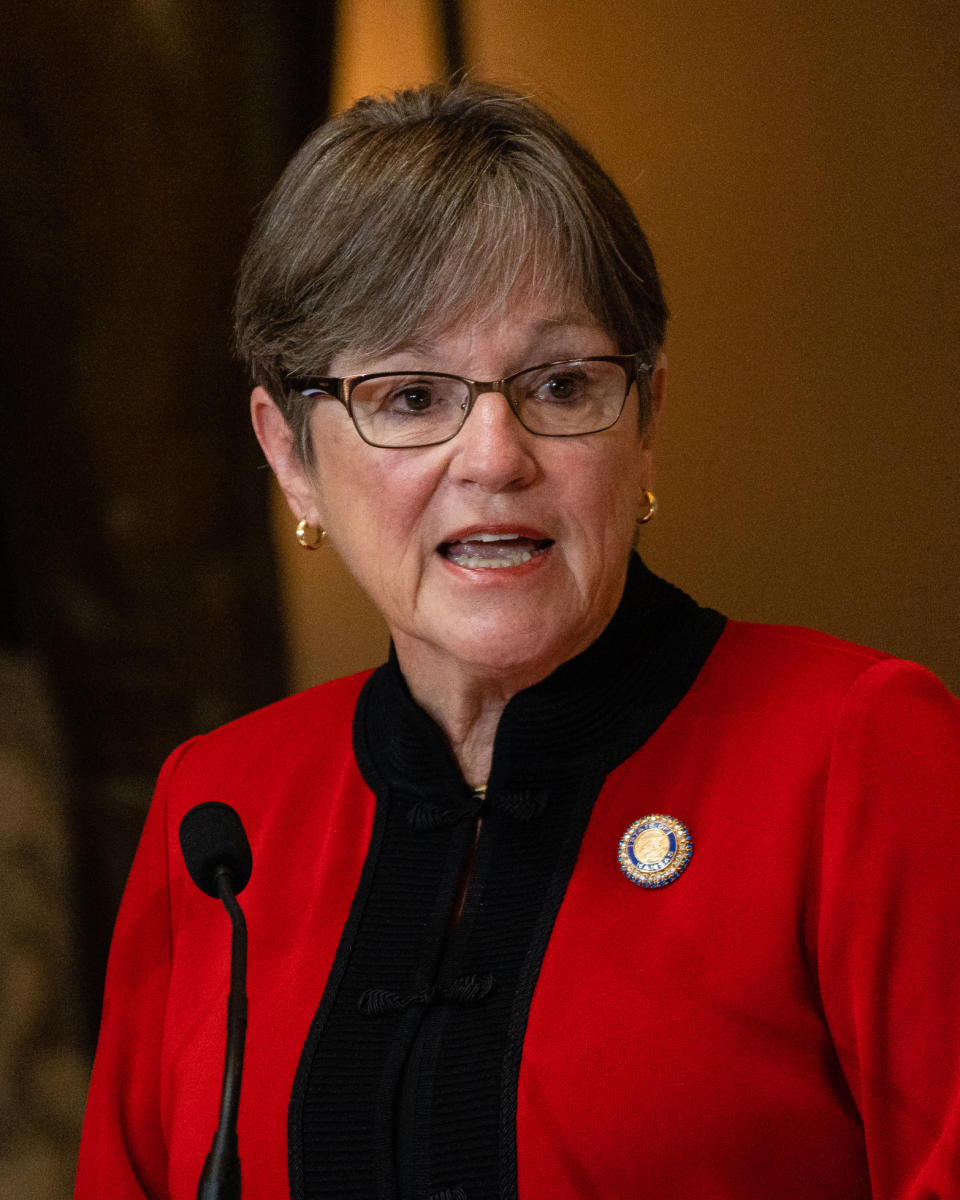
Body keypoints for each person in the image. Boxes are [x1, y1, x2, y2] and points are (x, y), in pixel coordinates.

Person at [75, 81, 960, 1200]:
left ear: (646, 423)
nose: (495, 456)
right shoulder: (218, 814)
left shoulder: (856, 754)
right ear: (291, 453)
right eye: (408, 396)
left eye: (559, 383)